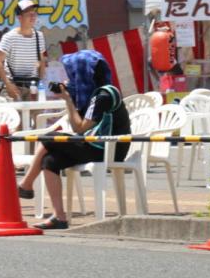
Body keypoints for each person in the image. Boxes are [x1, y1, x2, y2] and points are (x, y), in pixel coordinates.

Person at [16, 50, 130, 230]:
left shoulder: (104, 95)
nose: (69, 77)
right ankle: (59, 217)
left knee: (50, 138)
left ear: (83, 73)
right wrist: (71, 96)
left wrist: (68, 99)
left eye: (72, 73)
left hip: (108, 148)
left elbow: (79, 128)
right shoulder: (94, 93)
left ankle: (26, 184)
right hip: (96, 143)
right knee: (50, 161)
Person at [0, 0, 48, 101]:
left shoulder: (39, 36)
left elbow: (42, 60)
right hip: (14, 85)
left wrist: (40, 81)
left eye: (34, 14)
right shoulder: (9, 37)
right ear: (19, 17)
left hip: (32, 86)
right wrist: (8, 84)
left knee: (34, 116)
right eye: (29, 14)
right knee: (14, 116)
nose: (33, 17)